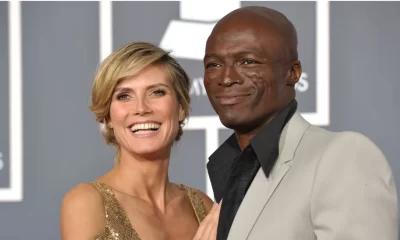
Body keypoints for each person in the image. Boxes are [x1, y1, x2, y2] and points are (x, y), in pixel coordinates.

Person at [203, 6, 398, 240]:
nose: (226, 78)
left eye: (247, 62)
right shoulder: (226, 172)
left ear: (293, 72)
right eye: (213, 65)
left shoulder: (341, 157)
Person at [60, 42, 220, 240]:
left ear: (180, 108)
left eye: (157, 92)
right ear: (108, 116)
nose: (141, 108)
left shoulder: (201, 206)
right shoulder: (87, 202)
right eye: (124, 96)